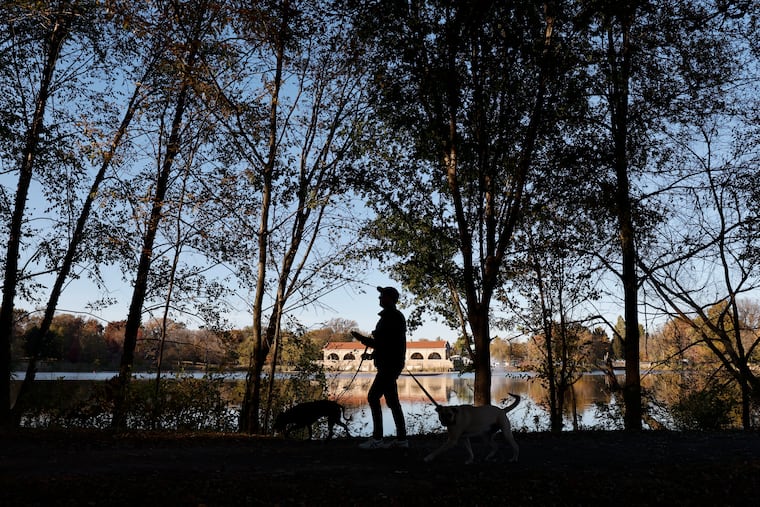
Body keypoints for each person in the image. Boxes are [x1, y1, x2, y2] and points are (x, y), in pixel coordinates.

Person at [351, 286, 408, 449]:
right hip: (390, 364)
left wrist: (360, 338)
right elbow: (388, 346)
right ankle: (402, 440)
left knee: (373, 397)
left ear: (390, 298)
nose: (380, 299)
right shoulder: (391, 317)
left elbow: (384, 344)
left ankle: (377, 439)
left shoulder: (392, 317)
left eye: (382, 296)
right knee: (393, 402)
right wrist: (372, 356)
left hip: (389, 366)